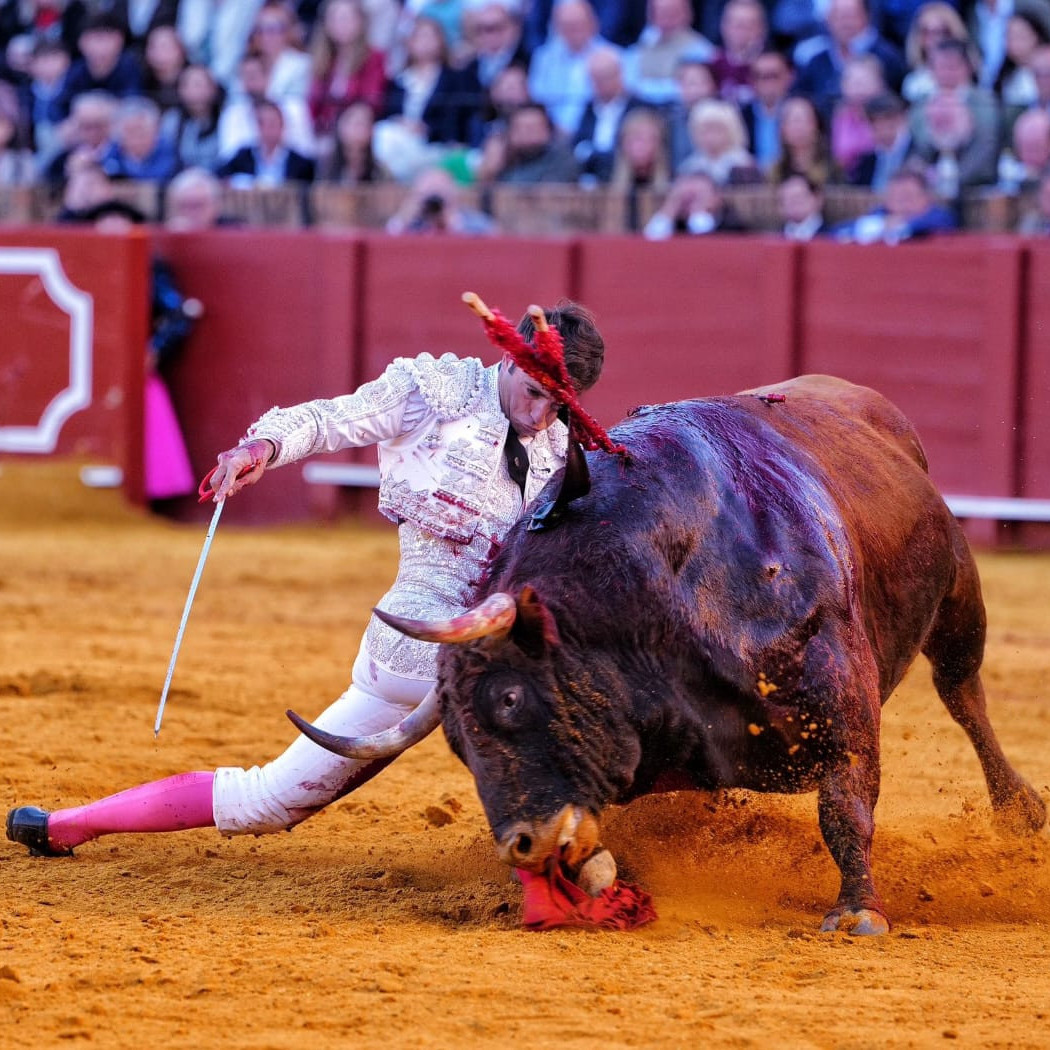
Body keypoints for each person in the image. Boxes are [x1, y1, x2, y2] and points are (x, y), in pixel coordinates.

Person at [6, 297, 606, 858]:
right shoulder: (432, 393)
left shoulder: (561, 440)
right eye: (534, 393)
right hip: (415, 646)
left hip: (501, 647)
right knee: (266, 800)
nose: (541, 415)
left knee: (603, 688)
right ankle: (68, 825)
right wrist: (262, 447)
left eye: (559, 404)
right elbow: (329, 420)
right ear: (508, 357)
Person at [832, 163, 958, 241]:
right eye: (895, 198)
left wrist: (900, 226)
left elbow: (938, 224)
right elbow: (840, 231)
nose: (901, 205)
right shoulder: (881, 215)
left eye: (908, 197)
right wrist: (879, 226)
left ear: (927, 197)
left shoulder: (938, 218)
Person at [642, 169, 748, 236]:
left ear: (716, 198)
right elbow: (649, 242)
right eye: (686, 198)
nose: (691, 204)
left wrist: (699, 213)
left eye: (698, 197)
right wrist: (670, 208)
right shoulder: (675, 225)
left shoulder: (733, 225)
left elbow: (705, 247)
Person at [776, 170, 828, 237]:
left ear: (817, 199)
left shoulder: (834, 238)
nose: (794, 204)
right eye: (788, 199)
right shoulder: (775, 239)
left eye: (798, 197)